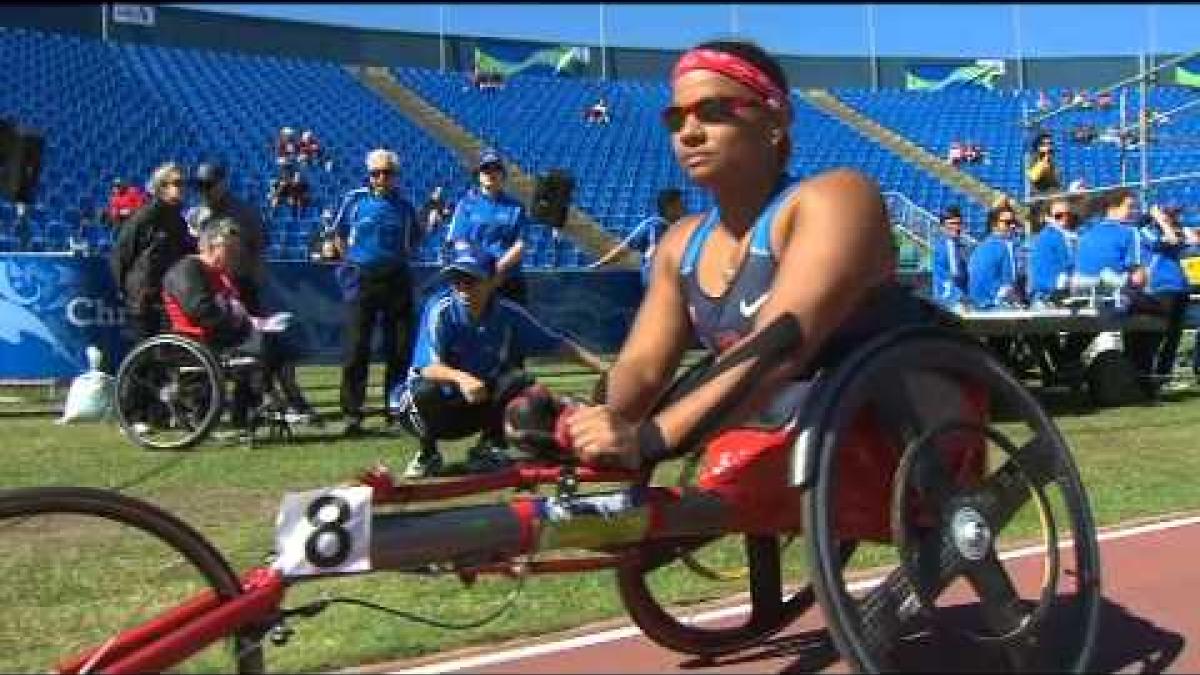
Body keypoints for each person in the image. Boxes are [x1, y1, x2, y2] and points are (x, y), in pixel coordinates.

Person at [554, 38, 944, 534]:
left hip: (902, 423)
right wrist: (592, 423)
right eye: (676, 119)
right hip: (791, 418)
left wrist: (650, 438)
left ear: (774, 121)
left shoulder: (838, 196)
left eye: (713, 112)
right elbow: (643, 367)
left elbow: (781, 345)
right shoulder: (680, 242)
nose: (689, 132)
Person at [391, 240, 608, 478]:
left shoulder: (508, 313)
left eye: (471, 280)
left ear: (494, 281)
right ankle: (427, 453)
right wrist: (462, 379)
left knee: (518, 381)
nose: (462, 288)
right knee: (425, 390)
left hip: (475, 403)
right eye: (456, 280)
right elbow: (426, 367)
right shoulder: (440, 310)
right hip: (422, 408)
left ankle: (488, 448)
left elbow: (557, 344)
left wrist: (605, 369)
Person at [161, 219, 300, 434]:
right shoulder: (186, 271)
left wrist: (253, 322)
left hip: (219, 335)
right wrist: (238, 323)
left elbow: (234, 307)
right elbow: (200, 311)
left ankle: (252, 408)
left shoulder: (220, 275)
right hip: (195, 339)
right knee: (261, 345)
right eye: (230, 249)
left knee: (276, 342)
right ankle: (263, 402)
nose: (235, 255)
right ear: (212, 247)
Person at [331, 148, 422, 436]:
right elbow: (338, 233)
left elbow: (415, 238)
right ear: (369, 175)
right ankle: (352, 413)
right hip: (362, 280)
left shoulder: (405, 206)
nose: (381, 178)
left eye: (387, 173)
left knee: (399, 348)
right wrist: (351, 261)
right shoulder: (354, 200)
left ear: (396, 175)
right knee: (357, 347)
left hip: (396, 279)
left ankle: (395, 409)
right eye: (376, 173)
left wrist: (397, 258)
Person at [110, 162, 195, 341]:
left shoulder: (178, 221)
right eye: (178, 183)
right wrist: (126, 291)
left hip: (168, 297)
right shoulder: (144, 217)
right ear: (162, 187)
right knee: (146, 349)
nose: (183, 188)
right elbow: (121, 253)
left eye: (184, 183)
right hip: (144, 299)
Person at [445, 149, 531, 305]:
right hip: (475, 280)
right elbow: (458, 240)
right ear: (478, 175)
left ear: (503, 175)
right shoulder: (466, 205)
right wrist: (479, 268)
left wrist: (498, 268)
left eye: (496, 168)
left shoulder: (516, 207)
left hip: (507, 280)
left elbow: (521, 244)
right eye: (486, 169)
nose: (491, 173)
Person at [1126, 205, 1197, 395]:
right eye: (1170, 213)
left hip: (1180, 288)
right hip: (1159, 289)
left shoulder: (1175, 229)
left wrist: (1176, 227)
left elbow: (1191, 241)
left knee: (1173, 337)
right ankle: (1145, 380)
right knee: (1155, 336)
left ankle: (1163, 377)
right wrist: (1159, 219)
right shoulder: (1145, 231)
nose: (1174, 217)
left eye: (1175, 214)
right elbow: (1171, 240)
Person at [591, 188, 686, 288]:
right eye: (679, 205)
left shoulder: (683, 228)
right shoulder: (652, 226)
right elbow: (624, 249)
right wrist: (599, 264)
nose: (683, 208)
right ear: (669, 208)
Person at [967, 204, 1022, 310]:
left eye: (1014, 222)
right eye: (1007, 223)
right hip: (991, 308)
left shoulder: (1008, 245)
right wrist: (1001, 295)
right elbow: (980, 281)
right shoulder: (988, 248)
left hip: (1003, 304)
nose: (1012, 226)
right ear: (994, 225)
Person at [930, 205, 969, 310]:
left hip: (956, 298)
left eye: (958, 223)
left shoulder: (959, 246)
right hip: (950, 302)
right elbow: (954, 275)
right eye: (952, 223)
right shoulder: (947, 245)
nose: (956, 227)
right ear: (942, 227)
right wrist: (960, 299)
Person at [1026, 131, 1062, 198]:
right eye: (1044, 144)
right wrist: (1044, 159)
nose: (1048, 146)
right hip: (1039, 198)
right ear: (1038, 147)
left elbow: (1057, 183)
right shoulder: (1032, 158)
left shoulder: (1053, 162)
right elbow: (1033, 176)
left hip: (1053, 196)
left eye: (1050, 143)